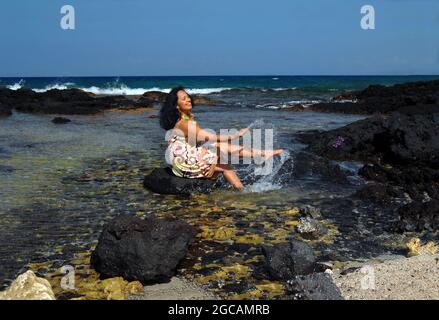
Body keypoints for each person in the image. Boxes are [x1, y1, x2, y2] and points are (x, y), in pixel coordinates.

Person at [159, 86, 284, 190]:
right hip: (183, 161)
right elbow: (209, 136)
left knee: (222, 159)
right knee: (220, 150)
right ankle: (259, 157)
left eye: (188, 97)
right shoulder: (184, 123)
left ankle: (242, 188)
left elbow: (200, 139)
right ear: (176, 106)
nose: (188, 100)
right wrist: (235, 135)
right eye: (183, 99)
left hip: (186, 154)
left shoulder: (187, 120)